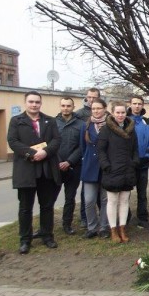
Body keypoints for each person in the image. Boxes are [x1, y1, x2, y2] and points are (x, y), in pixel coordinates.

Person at [7, 91, 61, 254]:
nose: (34, 105)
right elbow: (13, 141)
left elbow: (56, 140)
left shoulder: (50, 121)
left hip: (46, 170)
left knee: (47, 206)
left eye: (37, 102)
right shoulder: (16, 121)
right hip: (26, 170)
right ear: (26, 102)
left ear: (40, 103)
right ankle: (25, 240)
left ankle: (47, 236)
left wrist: (45, 152)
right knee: (25, 208)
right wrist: (31, 153)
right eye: (31, 102)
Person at [97, 101, 139, 243]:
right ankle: (113, 230)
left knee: (124, 201)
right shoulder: (106, 129)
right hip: (112, 170)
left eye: (123, 112)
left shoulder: (131, 129)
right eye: (118, 112)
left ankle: (122, 228)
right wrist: (106, 166)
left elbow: (135, 149)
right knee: (112, 201)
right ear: (113, 113)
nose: (120, 115)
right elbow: (101, 150)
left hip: (128, 170)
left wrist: (134, 162)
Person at [80, 98, 110, 239]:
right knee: (89, 200)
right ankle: (92, 227)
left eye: (99, 108)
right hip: (90, 167)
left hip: (105, 167)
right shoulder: (86, 126)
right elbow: (82, 147)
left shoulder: (110, 125)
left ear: (104, 109)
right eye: (93, 109)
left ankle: (104, 227)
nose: (96, 111)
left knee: (105, 199)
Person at [54, 97, 84, 235]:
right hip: (55, 167)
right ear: (60, 106)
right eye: (63, 105)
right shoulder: (53, 123)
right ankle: (46, 227)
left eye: (68, 106)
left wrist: (69, 161)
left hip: (74, 167)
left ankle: (67, 224)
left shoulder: (81, 124)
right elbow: (50, 144)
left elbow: (82, 146)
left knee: (70, 198)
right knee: (50, 198)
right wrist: (59, 161)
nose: (65, 108)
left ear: (73, 107)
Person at [127, 95, 149, 229]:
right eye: (134, 103)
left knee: (142, 194)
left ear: (142, 105)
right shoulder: (125, 120)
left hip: (143, 163)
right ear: (130, 104)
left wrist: (147, 156)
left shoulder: (146, 121)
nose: (137, 106)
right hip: (128, 164)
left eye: (139, 103)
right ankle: (125, 218)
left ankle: (142, 218)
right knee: (126, 193)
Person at [75, 87, 101, 228]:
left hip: (102, 162)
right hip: (89, 160)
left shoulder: (107, 117)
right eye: (89, 97)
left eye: (94, 97)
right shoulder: (79, 115)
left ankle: (104, 221)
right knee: (87, 196)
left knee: (103, 196)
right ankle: (86, 219)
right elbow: (82, 144)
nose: (91, 100)